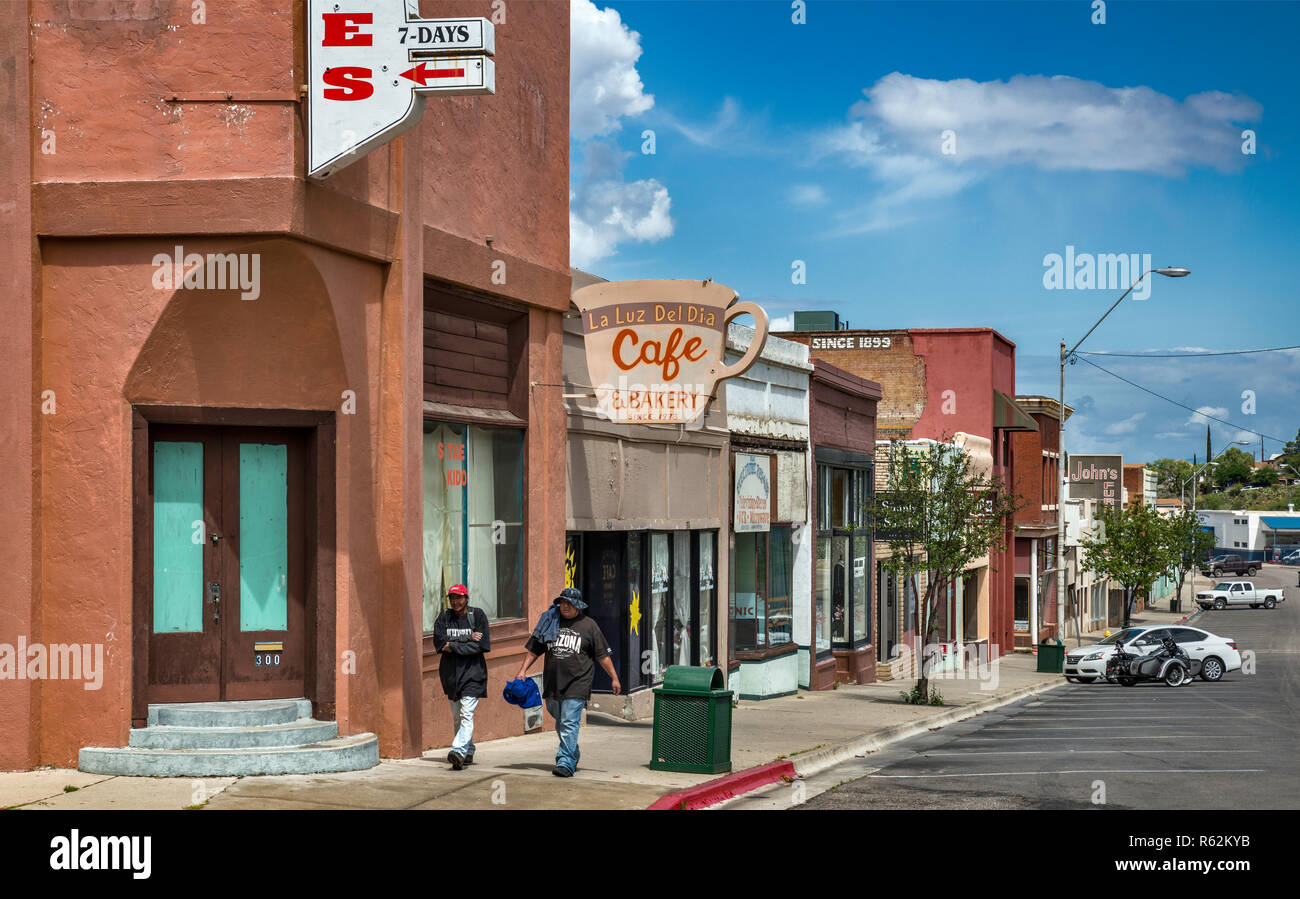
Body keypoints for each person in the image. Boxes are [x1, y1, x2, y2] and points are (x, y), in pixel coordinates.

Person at [514, 587, 620, 777]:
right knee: (560, 721)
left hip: (578, 682)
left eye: (569, 603)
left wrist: (614, 678)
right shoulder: (550, 622)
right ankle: (572, 751)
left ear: (578, 605)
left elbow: (602, 655)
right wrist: (522, 671)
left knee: (569, 722)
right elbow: (534, 650)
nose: (565, 606)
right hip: (553, 683)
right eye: (562, 602)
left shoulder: (589, 626)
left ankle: (565, 761)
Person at [432, 583, 490, 770]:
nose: (456, 602)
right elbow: (440, 644)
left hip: (473, 674)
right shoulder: (444, 617)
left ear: (466, 598)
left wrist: (453, 645)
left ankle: (458, 750)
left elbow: (482, 646)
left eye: (459, 598)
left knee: (466, 714)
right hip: (450, 675)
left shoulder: (477, 615)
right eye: (452, 598)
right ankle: (468, 750)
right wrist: (467, 639)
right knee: (457, 717)